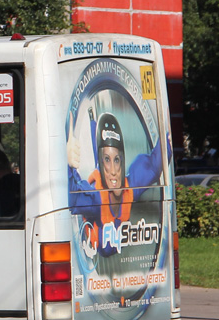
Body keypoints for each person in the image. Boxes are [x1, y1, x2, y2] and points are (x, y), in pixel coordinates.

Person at [68, 111, 162, 258]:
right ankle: (91, 123)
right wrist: (67, 163)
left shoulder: (130, 188)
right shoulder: (95, 199)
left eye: (117, 160)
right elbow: (71, 199)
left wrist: (166, 136)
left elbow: (153, 166)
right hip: (95, 249)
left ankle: (93, 123)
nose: (113, 171)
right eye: (107, 160)